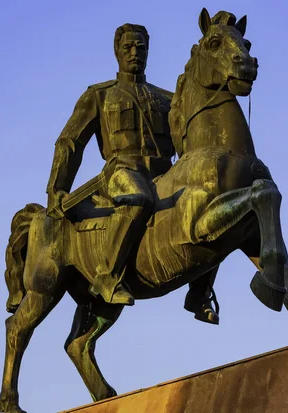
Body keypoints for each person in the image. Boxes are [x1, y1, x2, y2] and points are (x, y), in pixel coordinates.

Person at [46, 23, 219, 323]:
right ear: (117, 51)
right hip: (122, 172)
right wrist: (57, 188)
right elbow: (70, 142)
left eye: (140, 47)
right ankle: (107, 276)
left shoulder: (167, 98)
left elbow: (187, 139)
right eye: (127, 47)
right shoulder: (100, 95)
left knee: (211, 204)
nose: (134, 52)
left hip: (164, 177)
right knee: (136, 198)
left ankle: (199, 292)